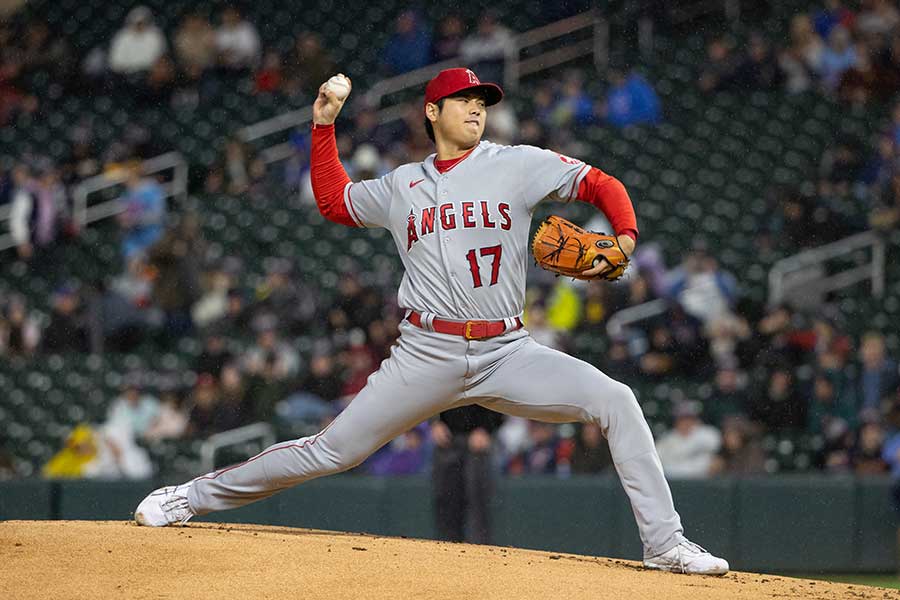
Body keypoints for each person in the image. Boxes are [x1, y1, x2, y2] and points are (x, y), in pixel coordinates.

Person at [134, 67, 729, 575]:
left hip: (507, 350)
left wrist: (623, 236)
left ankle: (665, 545)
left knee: (617, 399)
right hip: (426, 353)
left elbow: (600, 183)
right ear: (432, 111)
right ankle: (189, 496)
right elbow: (334, 201)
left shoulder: (517, 163)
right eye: (465, 101)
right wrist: (322, 126)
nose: (477, 109)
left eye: (483, 102)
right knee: (331, 450)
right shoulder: (402, 185)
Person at [431, 405, 503, 544]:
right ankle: (446, 551)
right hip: (447, 438)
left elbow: (499, 396)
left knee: (477, 499)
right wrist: (434, 422)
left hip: (478, 440)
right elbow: (430, 393)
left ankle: (480, 552)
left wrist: (486, 428)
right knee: (446, 498)